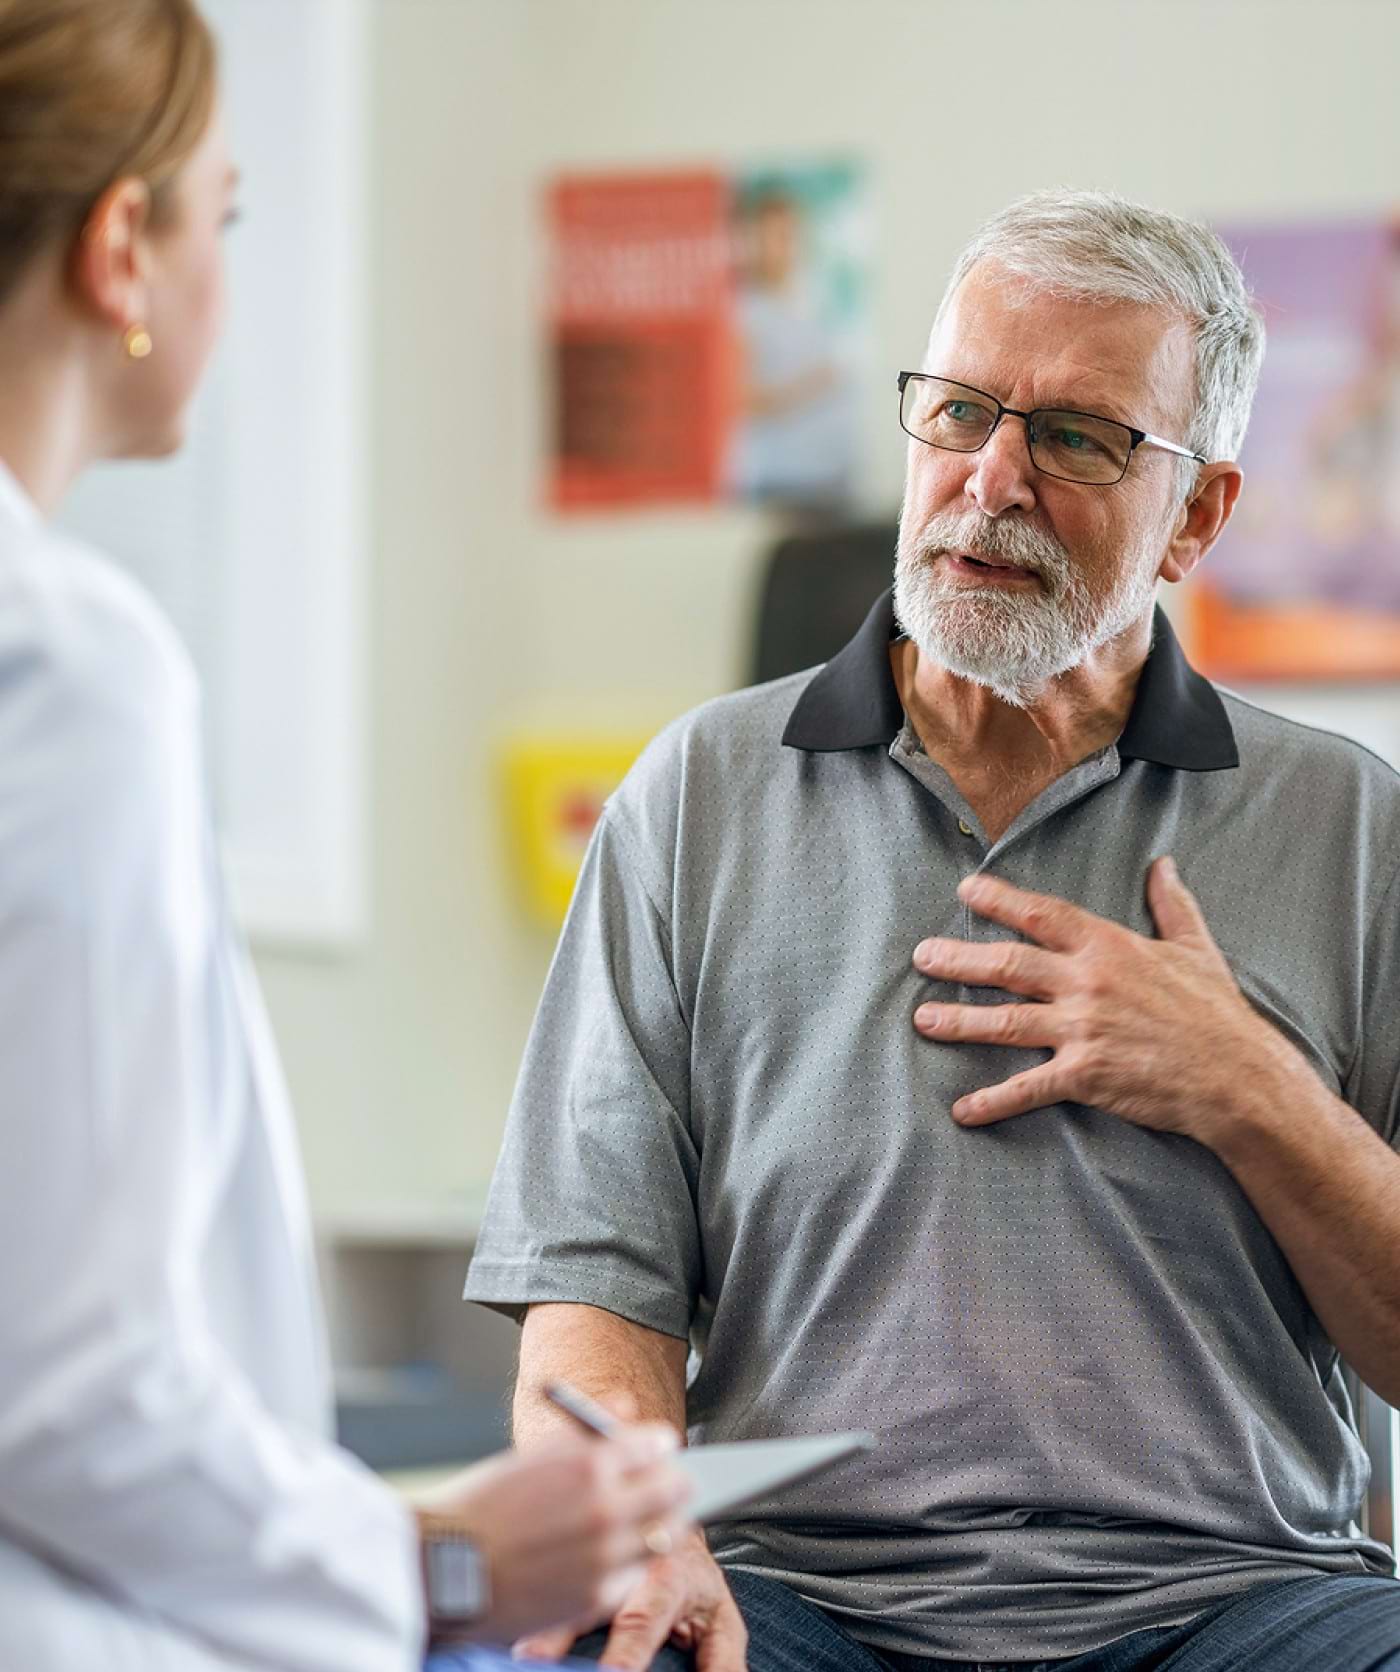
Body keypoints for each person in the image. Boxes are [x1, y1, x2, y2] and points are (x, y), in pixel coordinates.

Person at [464, 188, 1400, 1672]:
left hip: (1239, 1607)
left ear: (1201, 516)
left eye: (1080, 437)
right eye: (961, 411)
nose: (992, 479)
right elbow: (593, 1288)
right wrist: (644, 1532)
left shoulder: (1355, 828)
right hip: (804, 1604)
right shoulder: (695, 796)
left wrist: (1252, 1089)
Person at [0, 3, 690, 1669]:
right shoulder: (68, 668)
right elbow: (69, 1385)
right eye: (219, 218)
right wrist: (439, 1569)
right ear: (121, 255)